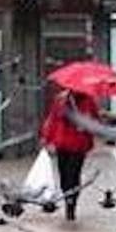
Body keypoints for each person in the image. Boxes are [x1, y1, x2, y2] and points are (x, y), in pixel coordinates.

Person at [39, 88, 98, 220]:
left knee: (73, 174)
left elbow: (95, 119)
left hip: (79, 144)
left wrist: (86, 124)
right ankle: (67, 196)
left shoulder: (89, 100)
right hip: (62, 143)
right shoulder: (61, 99)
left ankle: (71, 204)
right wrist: (46, 137)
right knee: (64, 176)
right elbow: (52, 118)